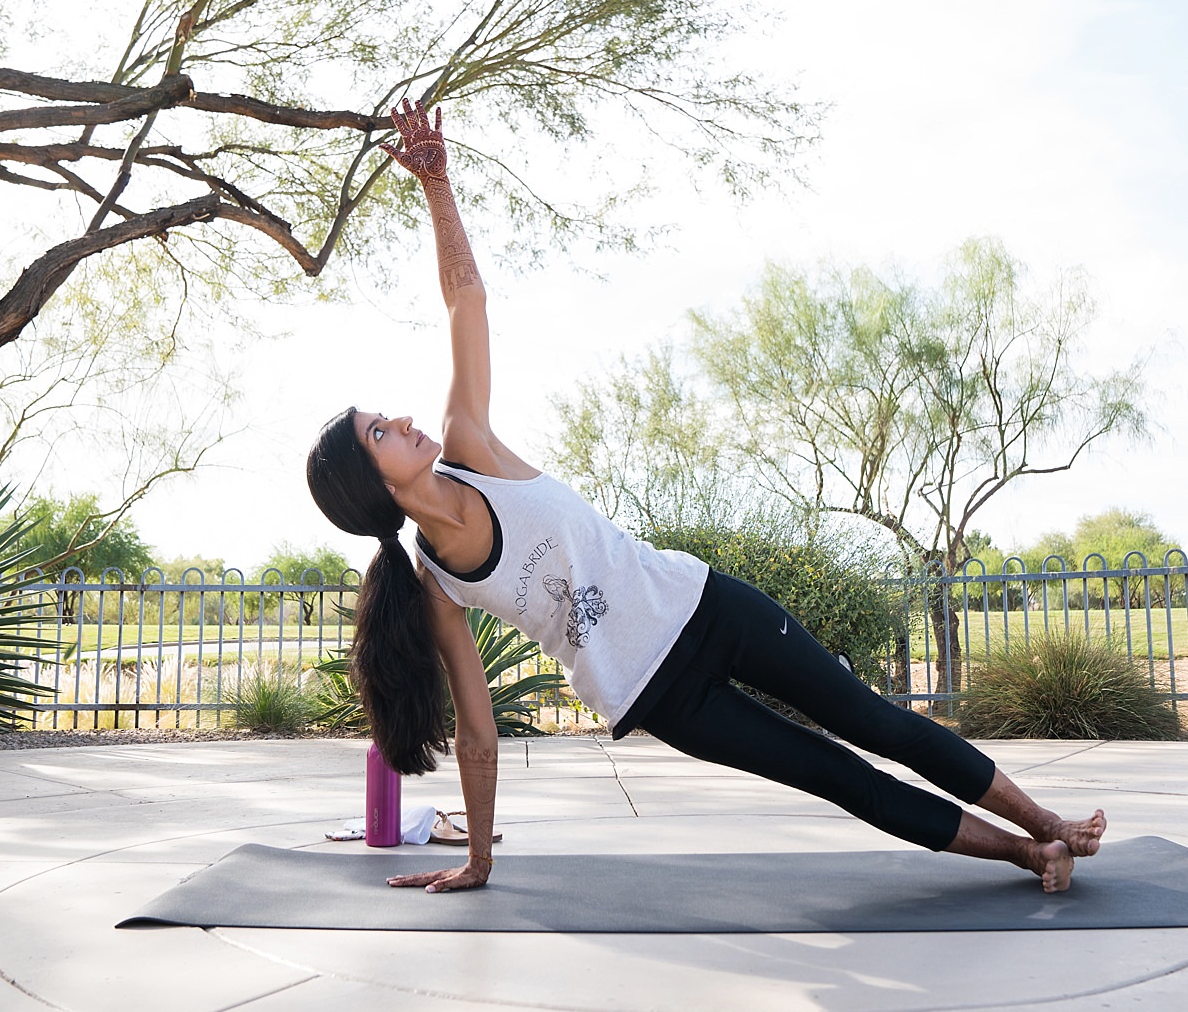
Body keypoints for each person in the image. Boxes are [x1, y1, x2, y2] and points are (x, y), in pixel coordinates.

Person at [305, 100, 1108, 897]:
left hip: (707, 606)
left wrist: (438, 187)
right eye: (381, 433)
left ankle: (1052, 824)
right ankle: (1026, 856)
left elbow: (466, 301)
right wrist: (480, 860)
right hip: (662, 696)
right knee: (838, 778)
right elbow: (477, 730)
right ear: (375, 487)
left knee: (876, 723)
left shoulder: (471, 445)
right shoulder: (440, 585)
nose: (402, 421)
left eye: (385, 416)